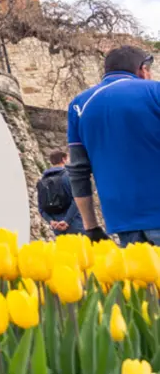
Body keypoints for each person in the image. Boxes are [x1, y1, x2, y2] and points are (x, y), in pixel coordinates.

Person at [67, 46, 160, 246]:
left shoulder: (79, 105)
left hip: (123, 222)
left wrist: (90, 226)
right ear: (143, 69)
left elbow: (78, 171)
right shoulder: (155, 91)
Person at [37, 150, 84, 238]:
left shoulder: (42, 181)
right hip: (75, 225)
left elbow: (41, 208)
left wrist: (51, 221)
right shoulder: (69, 176)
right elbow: (78, 200)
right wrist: (66, 221)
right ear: (63, 159)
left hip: (57, 228)